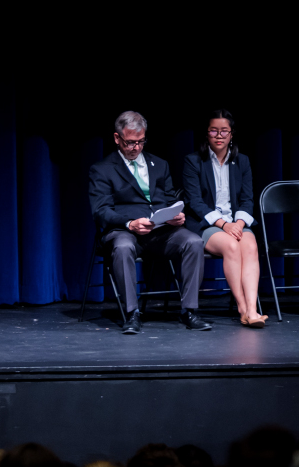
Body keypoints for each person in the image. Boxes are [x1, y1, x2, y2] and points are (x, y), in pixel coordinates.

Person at [89, 110, 211, 332]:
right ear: (117, 138)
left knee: (194, 242)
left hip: (161, 232)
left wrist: (175, 214)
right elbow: (101, 211)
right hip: (124, 231)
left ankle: (190, 311)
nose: (135, 148)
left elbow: (168, 198)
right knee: (124, 247)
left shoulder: (160, 164)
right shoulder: (102, 169)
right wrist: (130, 223)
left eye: (140, 142)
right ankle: (131, 313)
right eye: (129, 143)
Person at [182, 109, 266, 327]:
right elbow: (194, 202)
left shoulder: (243, 161)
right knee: (231, 246)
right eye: (213, 131)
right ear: (207, 133)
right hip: (206, 224)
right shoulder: (193, 162)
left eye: (224, 131)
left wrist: (237, 224)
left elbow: (248, 199)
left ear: (231, 134)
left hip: (234, 222)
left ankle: (252, 309)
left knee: (250, 245)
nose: (219, 135)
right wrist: (223, 224)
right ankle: (243, 308)